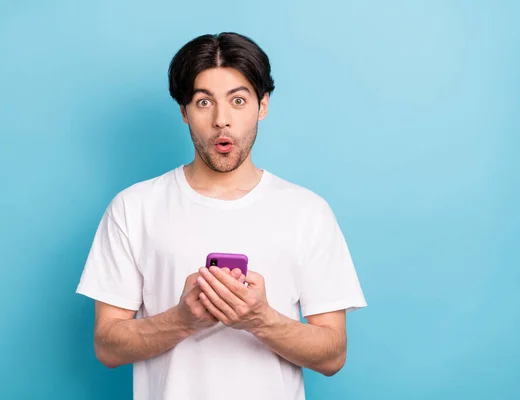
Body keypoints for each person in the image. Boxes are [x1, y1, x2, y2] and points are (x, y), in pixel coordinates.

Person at [76, 32, 367, 400]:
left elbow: (333, 354)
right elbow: (107, 346)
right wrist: (182, 320)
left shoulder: (308, 212)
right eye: (203, 102)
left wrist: (261, 319)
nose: (221, 120)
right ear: (183, 112)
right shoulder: (133, 208)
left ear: (263, 106)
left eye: (239, 100)